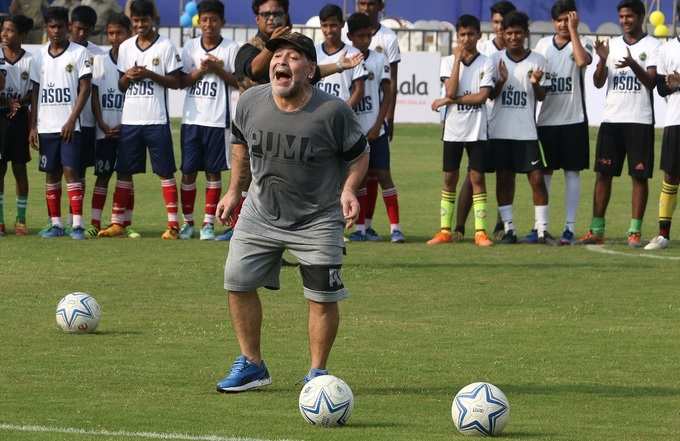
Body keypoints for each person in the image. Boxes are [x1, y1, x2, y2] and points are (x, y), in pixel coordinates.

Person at [214, 32, 369, 392]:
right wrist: (235, 190)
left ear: (311, 70)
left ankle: (316, 374)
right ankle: (252, 364)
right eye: (277, 55)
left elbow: (360, 155)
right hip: (260, 211)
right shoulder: (251, 101)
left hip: (317, 218)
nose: (281, 61)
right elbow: (239, 142)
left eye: (293, 57)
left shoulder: (333, 112)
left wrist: (348, 189)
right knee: (236, 282)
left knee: (321, 296)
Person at [577, 0, 659, 247]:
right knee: (603, 174)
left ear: (641, 17)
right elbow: (599, 83)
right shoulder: (611, 45)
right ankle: (596, 229)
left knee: (639, 177)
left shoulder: (653, 46)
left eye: (629, 16)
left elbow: (652, 82)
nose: (624, 21)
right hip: (612, 120)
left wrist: (633, 63)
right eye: (621, 17)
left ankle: (634, 231)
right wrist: (602, 60)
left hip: (639, 120)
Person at [97, 0, 181, 239]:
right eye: (136, 21)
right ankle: (118, 223)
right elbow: (122, 85)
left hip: (156, 118)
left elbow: (176, 82)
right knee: (124, 170)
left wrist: (149, 74)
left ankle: (173, 226)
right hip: (131, 120)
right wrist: (130, 77)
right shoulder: (126, 47)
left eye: (144, 20)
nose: (140, 25)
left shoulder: (165, 46)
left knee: (165, 171)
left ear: (152, 20)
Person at [488, 11, 555, 245]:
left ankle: (542, 230)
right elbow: (491, 96)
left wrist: (536, 83)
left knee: (537, 179)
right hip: (500, 131)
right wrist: (502, 81)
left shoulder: (538, 60)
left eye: (518, 32)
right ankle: (508, 229)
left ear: (525, 34)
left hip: (526, 131)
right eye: (509, 33)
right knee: (504, 179)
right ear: (503, 35)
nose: (514, 37)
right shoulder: (495, 59)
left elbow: (542, 96)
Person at [428, 14, 494, 247]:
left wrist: (450, 101)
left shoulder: (487, 62)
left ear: (479, 35)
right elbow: (450, 89)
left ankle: (480, 232)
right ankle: (445, 230)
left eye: (471, 34)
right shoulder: (448, 62)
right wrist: (457, 60)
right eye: (462, 35)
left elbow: (482, 97)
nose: (466, 39)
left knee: (477, 177)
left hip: (477, 130)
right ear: (458, 37)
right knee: (449, 177)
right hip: (453, 130)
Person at [454, 0, 516, 242]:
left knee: (505, 174)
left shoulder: (518, 49)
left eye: (505, 22)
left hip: (508, 123)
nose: (501, 28)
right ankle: (459, 226)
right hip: (480, 123)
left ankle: (502, 223)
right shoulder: (484, 52)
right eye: (497, 22)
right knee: (473, 175)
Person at [177, 0, 239, 241]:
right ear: (199, 21)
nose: (209, 24)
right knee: (189, 172)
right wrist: (202, 71)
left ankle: (208, 223)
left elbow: (238, 82)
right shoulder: (190, 47)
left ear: (222, 22)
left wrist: (217, 69)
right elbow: (181, 82)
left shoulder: (231, 48)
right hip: (192, 120)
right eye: (205, 20)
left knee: (214, 173)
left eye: (214, 19)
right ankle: (187, 223)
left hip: (217, 120)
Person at [29, 6, 92, 239]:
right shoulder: (39, 56)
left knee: (70, 171)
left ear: (68, 27)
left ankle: (77, 225)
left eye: (60, 26)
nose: (56, 31)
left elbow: (85, 89)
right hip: (46, 126)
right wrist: (33, 126)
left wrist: (72, 119)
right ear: (47, 28)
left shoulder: (79, 53)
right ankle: (56, 224)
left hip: (69, 126)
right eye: (52, 26)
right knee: (51, 173)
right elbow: (35, 92)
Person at [533, 0, 593, 245]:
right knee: (544, 173)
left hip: (574, 119)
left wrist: (575, 31)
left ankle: (569, 227)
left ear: (574, 20)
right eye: (559, 20)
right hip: (547, 120)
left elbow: (581, 61)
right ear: (552, 21)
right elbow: (537, 82)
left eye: (567, 20)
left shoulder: (582, 41)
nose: (562, 25)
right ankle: (540, 226)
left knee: (572, 173)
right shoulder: (543, 45)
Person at [343, 0, 400, 241]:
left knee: (384, 175)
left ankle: (395, 228)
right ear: (350, 36)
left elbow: (387, 92)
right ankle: (361, 229)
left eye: (368, 35)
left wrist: (380, 124)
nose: (365, 40)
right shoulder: (344, 59)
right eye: (360, 36)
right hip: (353, 130)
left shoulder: (378, 59)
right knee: (360, 178)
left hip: (374, 128)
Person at [91, 13, 139, 239]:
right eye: (111, 33)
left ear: (129, 33)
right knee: (102, 175)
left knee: (126, 174)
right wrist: (101, 122)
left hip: (128, 129)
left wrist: (124, 124)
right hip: (105, 129)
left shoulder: (135, 62)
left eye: (119, 32)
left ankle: (122, 223)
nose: (115, 37)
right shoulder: (100, 61)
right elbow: (93, 95)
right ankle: (94, 222)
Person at [67, 5, 107, 237]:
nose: (81, 34)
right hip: (63, 123)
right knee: (68, 170)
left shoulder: (97, 54)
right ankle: (73, 218)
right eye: (78, 28)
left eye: (86, 30)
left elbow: (96, 91)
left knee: (81, 171)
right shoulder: (60, 49)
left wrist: (100, 121)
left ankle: (81, 220)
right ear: (71, 25)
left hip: (88, 123)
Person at [644, 4, 680, 250]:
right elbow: (660, 88)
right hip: (676, 119)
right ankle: (663, 235)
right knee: (671, 175)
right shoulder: (667, 49)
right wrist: (672, 84)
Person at [0, 14, 33, 236]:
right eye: (3, 29)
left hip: (20, 118)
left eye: (10, 30)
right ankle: (0, 221)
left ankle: (21, 220)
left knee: (20, 169)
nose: (4, 34)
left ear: (21, 34)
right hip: (1, 116)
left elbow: (35, 91)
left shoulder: (31, 59)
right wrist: (5, 101)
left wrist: (20, 102)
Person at [315, 4, 366, 108]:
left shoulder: (354, 53)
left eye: (333, 25)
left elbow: (359, 90)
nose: (329, 30)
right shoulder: (313, 51)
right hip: (316, 113)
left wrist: (344, 111)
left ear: (342, 24)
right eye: (324, 25)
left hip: (340, 114)